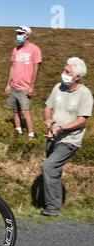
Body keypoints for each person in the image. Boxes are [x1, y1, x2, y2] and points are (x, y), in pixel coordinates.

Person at [41, 57, 93, 216]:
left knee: (48, 167)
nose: (63, 73)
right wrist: (48, 120)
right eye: (64, 70)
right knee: (53, 171)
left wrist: (62, 128)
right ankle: (53, 204)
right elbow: (48, 107)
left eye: (67, 72)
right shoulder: (58, 87)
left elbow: (82, 120)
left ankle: (52, 208)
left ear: (77, 77)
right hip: (52, 136)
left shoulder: (85, 94)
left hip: (70, 140)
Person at [5, 26, 42, 139]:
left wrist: (32, 86)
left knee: (25, 111)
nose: (18, 35)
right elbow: (12, 67)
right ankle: (18, 131)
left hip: (25, 87)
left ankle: (31, 135)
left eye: (21, 33)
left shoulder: (34, 49)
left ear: (27, 35)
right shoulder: (16, 49)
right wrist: (8, 84)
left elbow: (36, 68)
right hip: (14, 86)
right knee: (15, 110)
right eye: (18, 33)